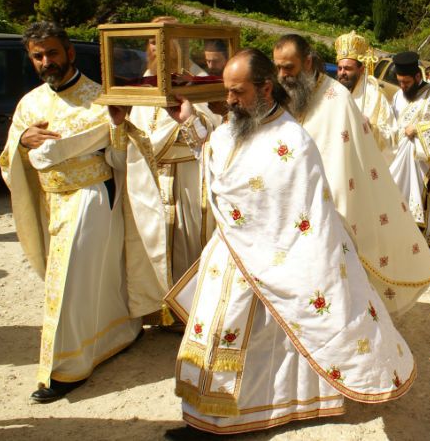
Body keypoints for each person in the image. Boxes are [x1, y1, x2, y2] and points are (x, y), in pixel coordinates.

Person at [162, 49, 415, 438]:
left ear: (265, 88)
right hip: (233, 250)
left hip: (271, 258)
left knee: (259, 338)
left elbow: (301, 214)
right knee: (217, 332)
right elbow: (217, 162)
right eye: (228, 92)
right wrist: (192, 124)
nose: (229, 101)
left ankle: (232, 418)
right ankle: (206, 416)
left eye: (238, 92)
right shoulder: (236, 125)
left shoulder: (292, 140)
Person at [0, 21, 141, 402]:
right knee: (85, 280)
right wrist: (22, 142)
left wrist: (116, 125)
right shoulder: (29, 103)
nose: (47, 61)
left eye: (53, 53)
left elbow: (120, 159)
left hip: (90, 196)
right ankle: (118, 334)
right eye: (38, 56)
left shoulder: (99, 97)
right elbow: (10, 159)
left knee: (68, 287)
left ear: (70, 53)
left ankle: (65, 368)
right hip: (49, 202)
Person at [272, 34, 430, 315]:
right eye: (278, 68)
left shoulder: (337, 99)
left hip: (332, 201)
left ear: (309, 62)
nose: (283, 75)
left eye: (289, 68)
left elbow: (349, 162)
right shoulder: (287, 95)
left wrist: (370, 130)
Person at [107, 17, 221, 326]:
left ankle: (193, 315)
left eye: (167, 38)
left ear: (182, 43)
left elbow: (215, 130)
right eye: (153, 40)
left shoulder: (200, 83)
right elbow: (129, 140)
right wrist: (119, 125)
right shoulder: (142, 86)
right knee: (149, 245)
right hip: (150, 179)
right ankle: (157, 311)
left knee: (190, 247)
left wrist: (189, 119)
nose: (159, 46)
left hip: (187, 177)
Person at [389, 51, 430, 252]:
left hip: (425, 162)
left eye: (407, 82)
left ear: (418, 77)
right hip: (400, 157)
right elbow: (393, 125)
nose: (403, 86)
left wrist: (418, 129)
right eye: (400, 81)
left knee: (428, 197)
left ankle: (429, 241)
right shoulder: (398, 96)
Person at [335, 31, 397, 160]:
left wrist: (370, 127)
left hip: (362, 161)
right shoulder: (334, 92)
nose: (342, 73)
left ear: (361, 69)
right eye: (340, 68)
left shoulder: (375, 96)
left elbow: (392, 137)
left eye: (347, 68)